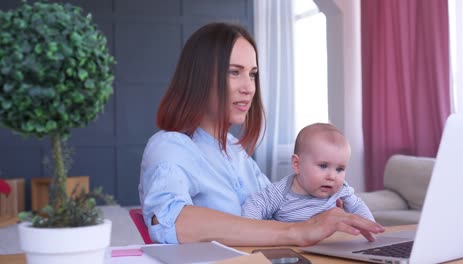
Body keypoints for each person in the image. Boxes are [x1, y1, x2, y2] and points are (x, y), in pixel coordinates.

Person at [139, 22, 384, 246]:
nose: (249, 88)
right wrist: (297, 232)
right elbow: (170, 222)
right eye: (234, 72)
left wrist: (319, 217)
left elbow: (277, 207)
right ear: (200, 78)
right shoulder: (170, 146)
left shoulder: (236, 151)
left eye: (252, 74)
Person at [242, 123, 375, 222]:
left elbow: (358, 207)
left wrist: (372, 229)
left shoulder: (341, 191)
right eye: (323, 166)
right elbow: (255, 204)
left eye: (339, 169)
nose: (332, 176)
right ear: (297, 164)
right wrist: (250, 234)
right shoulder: (281, 192)